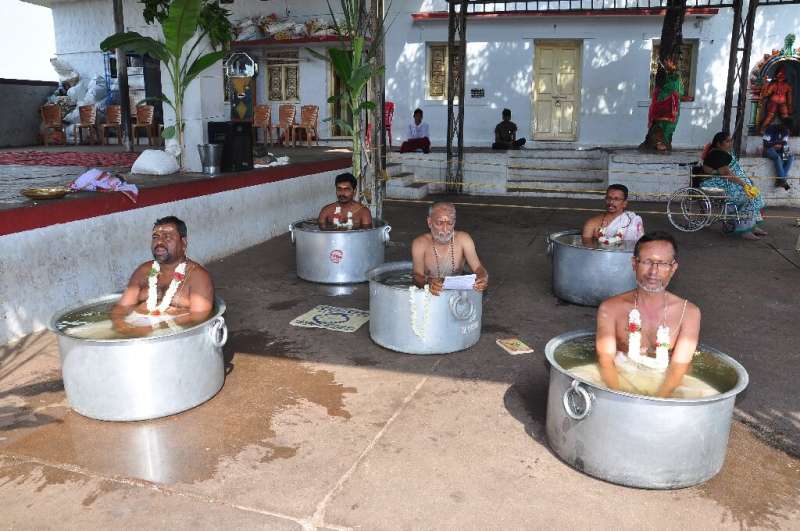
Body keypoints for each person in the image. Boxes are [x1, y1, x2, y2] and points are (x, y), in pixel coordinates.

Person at [595, 231, 702, 398]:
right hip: (619, 374)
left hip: (667, 380)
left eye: (662, 264)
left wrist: (659, 400)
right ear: (634, 264)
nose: (654, 271)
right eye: (647, 262)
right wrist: (617, 397)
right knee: (581, 380)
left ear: (673, 268)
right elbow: (606, 360)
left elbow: (679, 366)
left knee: (704, 394)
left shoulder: (689, 313)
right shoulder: (610, 308)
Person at [111, 216, 214, 337]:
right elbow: (122, 306)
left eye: (167, 237)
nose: (159, 242)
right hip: (133, 326)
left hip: (174, 334)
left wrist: (154, 328)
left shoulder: (197, 276)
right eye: (155, 237)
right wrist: (119, 324)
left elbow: (199, 319)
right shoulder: (143, 271)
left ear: (183, 243)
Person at [411, 202, 489, 296]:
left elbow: (478, 268)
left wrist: (482, 277)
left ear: (454, 222)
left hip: (456, 293)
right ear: (429, 222)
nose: (445, 229)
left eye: (450, 223)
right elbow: (417, 276)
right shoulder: (419, 244)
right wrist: (428, 283)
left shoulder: (464, 239)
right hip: (430, 295)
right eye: (439, 223)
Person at [702, 132, 767, 240]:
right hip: (717, 183)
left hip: (728, 182)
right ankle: (744, 229)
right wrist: (743, 184)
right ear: (718, 144)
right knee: (747, 197)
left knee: (754, 194)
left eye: (730, 140)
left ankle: (752, 226)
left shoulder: (724, 153)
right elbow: (726, 174)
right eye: (727, 141)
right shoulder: (717, 154)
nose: (730, 143)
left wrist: (748, 182)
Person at [758, 68, 793, 133]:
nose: (781, 77)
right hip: (773, 102)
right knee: (770, 116)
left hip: (783, 103)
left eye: (782, 75)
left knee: (786, 116)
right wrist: (765, 85)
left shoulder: (787, 86)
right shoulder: (773, 84)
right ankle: (762, 129)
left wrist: (790, 107)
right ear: (777, 76)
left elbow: (789, 98)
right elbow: (766, 94)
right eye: (779, 75)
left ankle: (788, 131)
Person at [762, 119, 793, 191]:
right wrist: (775, 145)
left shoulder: (786, 131)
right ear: (782, 125)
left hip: (779, 150)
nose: (786, 130)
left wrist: (785, 153)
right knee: (777, 158)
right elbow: (765, 144)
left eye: (788, 129)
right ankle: (783, 180)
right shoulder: (771, 129)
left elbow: (785, 144)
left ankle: (780, 180)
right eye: (785, 127)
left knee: (791, 157)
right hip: (768, 150)